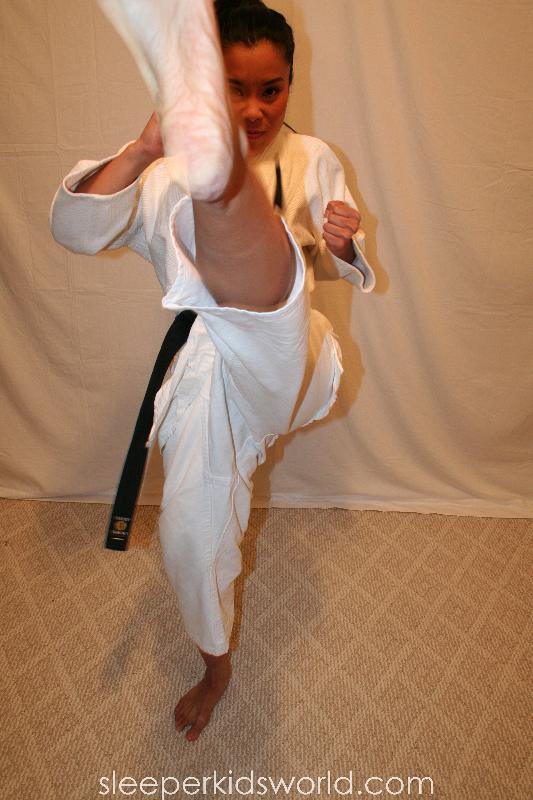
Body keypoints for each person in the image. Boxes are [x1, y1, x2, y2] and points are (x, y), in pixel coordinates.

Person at [49, 0, 375, 742]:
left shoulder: (312, 157)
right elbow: (74, 229)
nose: (257, 109)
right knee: (189, 539)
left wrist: (344, 244)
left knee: (264, 303)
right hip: (207, 375)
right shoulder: (161, 171)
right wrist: (142, 149)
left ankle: (222, 189)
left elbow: (343, 268)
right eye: (234, 89)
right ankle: (216, 666)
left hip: (287, 355)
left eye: (272, 90)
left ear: (291, 84)